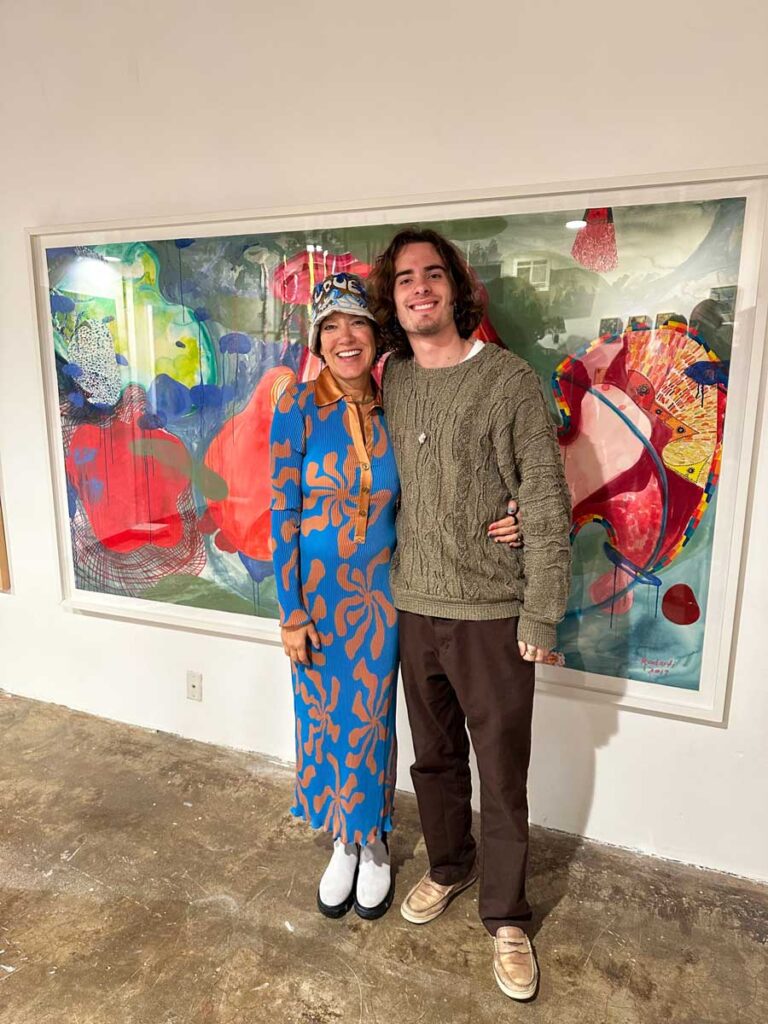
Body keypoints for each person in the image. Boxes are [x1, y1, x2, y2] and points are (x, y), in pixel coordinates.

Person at [269, 272, 523, 921]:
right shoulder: (297, 407)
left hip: (382, 600)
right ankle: (342, 842)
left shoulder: (398, 403)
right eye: (330, 327)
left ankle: (374, 840)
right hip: (317, 603)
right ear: (318, 341)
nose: (345, 337)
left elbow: (450, 476)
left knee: (373, 724)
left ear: (376, 335)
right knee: (322, 720)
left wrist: (514, 507)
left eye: (356, 323)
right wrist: (290, 611)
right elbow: (282, 512)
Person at [367, 229, 572, 999]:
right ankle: (450, 866)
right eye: (404, 279)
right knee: (434, 760)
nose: (419, 288)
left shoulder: (508, 381)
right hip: (411, 606)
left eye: (432, 274)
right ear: (393, 300)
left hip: (492, 614)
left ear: (455, 287)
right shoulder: (392, 379)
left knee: (503, 773)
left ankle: (508, 916)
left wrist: (541, 615)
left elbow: (544, 499)